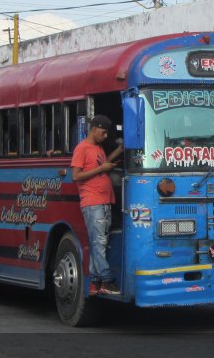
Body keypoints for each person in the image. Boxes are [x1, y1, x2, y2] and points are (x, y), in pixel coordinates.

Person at [71, 114, 123, 296]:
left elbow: (105, 161)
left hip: (104, 201)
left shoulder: (98, 148)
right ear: (94, 129)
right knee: (99, 242)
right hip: (93, 203)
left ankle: (95, 282)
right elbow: (76, 176)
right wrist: (101, 170)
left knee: (99, 242)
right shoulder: (82, 148)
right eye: (103, 132)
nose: (105, 135)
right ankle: (107, 280)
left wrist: (119, 150)